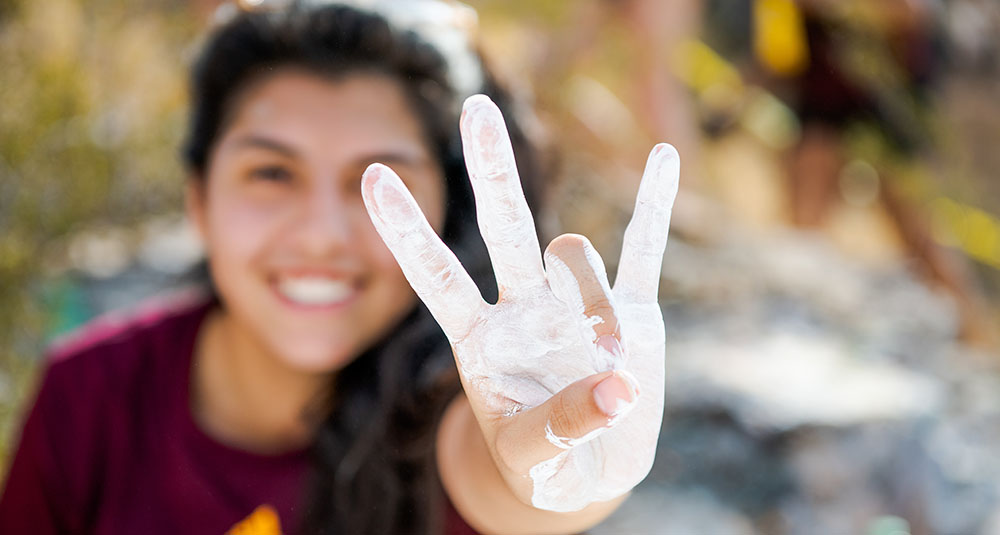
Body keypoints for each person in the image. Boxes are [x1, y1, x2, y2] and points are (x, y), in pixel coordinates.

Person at [0, 2, 680, 534]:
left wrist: (562, 458)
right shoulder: (89, 394)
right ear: (199, 202)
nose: (323, 235)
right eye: (271, 172)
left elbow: (500, 463)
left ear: (444, 211)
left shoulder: (468, 392)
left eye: (379, 184)